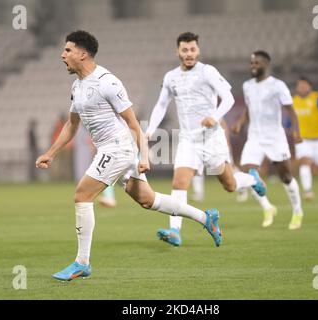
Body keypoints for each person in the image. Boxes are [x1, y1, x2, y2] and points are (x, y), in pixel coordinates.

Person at [35, 30, 223, 281]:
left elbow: (134, 124)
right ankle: (205, 218)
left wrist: (144, 156)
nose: (62, 55)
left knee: (82, 195)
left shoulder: (107, 82)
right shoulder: (77, 85)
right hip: (108, 148)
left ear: (82, 54)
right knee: (147, 200)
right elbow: (72, 124)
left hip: (118, 147)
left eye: (67, 50)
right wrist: (51, 153)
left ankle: (82, 263)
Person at [146, 32, 266, 247]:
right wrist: (150, 129)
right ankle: (175, 231)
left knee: (229, 185)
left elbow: (228, 98)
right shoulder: (170, 77)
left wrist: (215, 117)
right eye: (185, 50)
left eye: (192, 49)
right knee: (179, 183)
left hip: (211, 138)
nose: (189, 54)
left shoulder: (208, 72)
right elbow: (162, 105)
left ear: (198, 50)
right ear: (178, 51)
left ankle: (253, 180)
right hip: (188, 140)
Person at [231, 51, 304, 230]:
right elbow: (249, 109)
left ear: (266, 64)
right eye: (251, 63)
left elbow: (291, 110)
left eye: (256, 63)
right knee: (249, 173)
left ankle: (297, 211)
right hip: (254, 136)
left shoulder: (278, 86)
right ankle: (267, 207)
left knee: (285, 177)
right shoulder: (247, 85)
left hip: (275, 137)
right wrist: (240, 122)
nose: (252, 66)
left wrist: (297, 131)